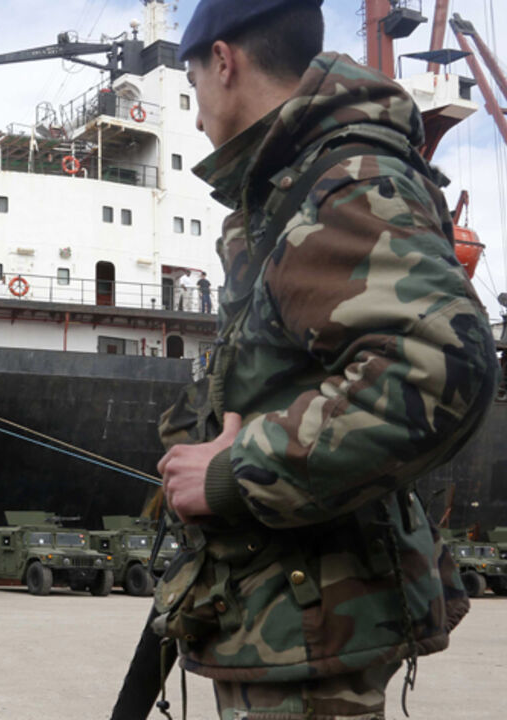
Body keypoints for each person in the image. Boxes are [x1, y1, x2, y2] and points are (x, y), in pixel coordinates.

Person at [149, 1, 499, 718]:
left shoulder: (339, 185)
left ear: (224, 61)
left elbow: (440, 365)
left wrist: (231, 474)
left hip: (308, 634)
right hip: (287, 617)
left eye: (192, 92)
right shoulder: (294, 188)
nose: (194, 117)